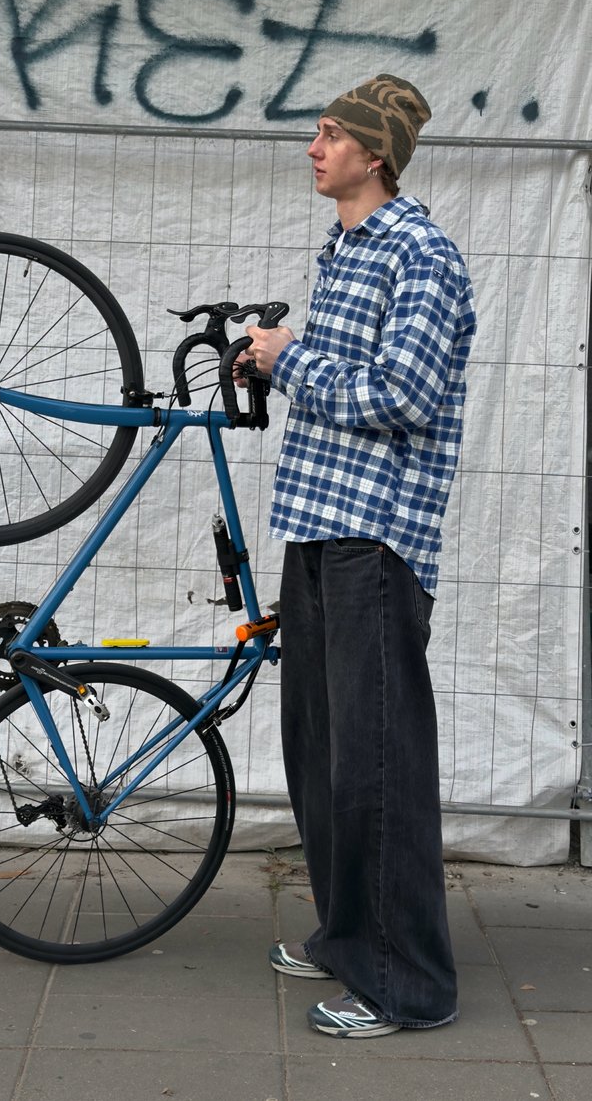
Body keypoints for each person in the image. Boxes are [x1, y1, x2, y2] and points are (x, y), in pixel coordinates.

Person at [242, 74, 476, 1038]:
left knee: (378, 765)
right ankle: (348, 937)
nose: (313, 146)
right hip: (318, 525)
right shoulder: (345, 248)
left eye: (330, 134)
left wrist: (285, 359)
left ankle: (408, 984)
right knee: (322, 756)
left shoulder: (420, 254)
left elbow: (405, 395)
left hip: (376, 538)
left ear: (375, 155)